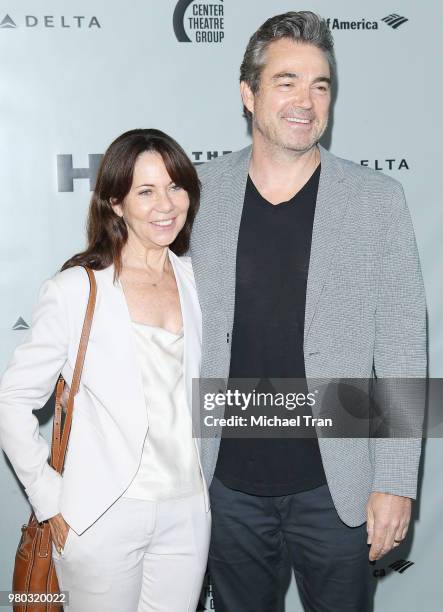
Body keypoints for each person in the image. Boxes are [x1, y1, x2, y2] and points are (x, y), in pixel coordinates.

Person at [190, 11, 426, 612]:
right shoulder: (196, 194)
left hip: (337, 485)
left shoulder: (377, 200)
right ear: (249, 94)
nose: (306, 100)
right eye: (287, 81)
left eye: (320, 85)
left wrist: (395, 481)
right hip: (223, 483)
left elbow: (402, 345)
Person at [0, 129, 210, 611]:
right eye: (146, 191)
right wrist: (49, 501)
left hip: (187, 510)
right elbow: (12, 400)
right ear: (116, 203)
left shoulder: (199, 283)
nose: (166, 204)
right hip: (102, 513)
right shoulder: (76, 290)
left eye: (176, 187)